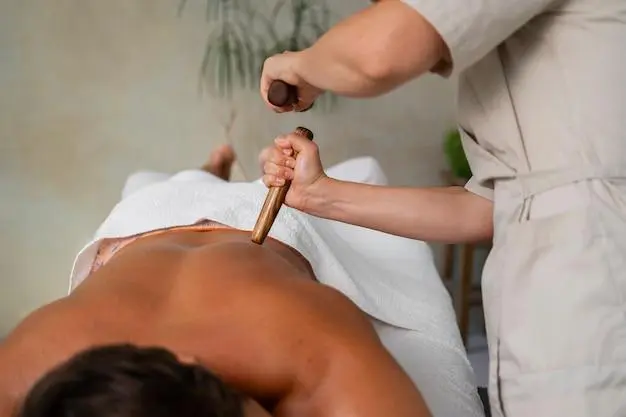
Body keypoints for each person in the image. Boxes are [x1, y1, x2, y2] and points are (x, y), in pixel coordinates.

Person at [257, 0, 626, 416]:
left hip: (595, 274)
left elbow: (378, 53)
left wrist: (299, 66)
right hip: (552, 298)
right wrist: (318, 193)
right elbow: (487, 208)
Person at [0, 145, 485, 417]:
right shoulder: (22, 368)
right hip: (143, 220)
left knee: (355, 171)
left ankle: (207, 172)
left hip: (261, 223)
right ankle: (208, 170)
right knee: (161, 182)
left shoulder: (310, 349)